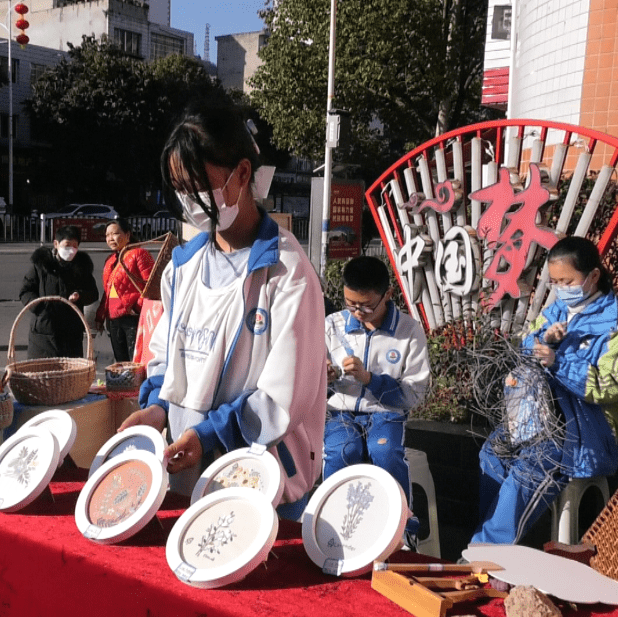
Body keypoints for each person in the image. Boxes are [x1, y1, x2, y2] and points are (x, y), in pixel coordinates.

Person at [119, 100, 327, 520]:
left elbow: (283, 397)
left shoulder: (287, 272)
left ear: (242, 174)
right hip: (185, 470)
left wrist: (212, 432)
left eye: (197, 183)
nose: (189, 200)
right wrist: (158, 407)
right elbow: (166, 359)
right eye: (179, 188)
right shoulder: (184, 266)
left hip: (259, 481)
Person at [470, 236, 618, 545]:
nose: (561, 288)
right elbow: (527, 346)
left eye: (568, 280)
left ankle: (489, 554)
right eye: (555, 282)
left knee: (531, 467)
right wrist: (544, 341)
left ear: (593, 276)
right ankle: (486, 545)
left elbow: (609, 387)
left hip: (589, 433)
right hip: (540, 417)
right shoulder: (556, 311)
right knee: (493, 454)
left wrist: (558, 362)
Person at [324, 256, 431, 545]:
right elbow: (308, 377)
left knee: (384, 453)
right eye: (350, 304)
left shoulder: (409, 331)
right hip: (341, 413)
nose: (358, 312)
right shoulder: (331, 325)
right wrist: (326, 375)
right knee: (340, 452)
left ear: (388, 295)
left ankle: (400, 529)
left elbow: (415, 392)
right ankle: (331, 530)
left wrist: (370, 379)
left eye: (366, 305)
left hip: (386, 414)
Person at [17, 225, 99, 359]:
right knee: (42, 374)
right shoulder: (41, 265)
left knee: (69, 375)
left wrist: (80, 295)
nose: (71, 250)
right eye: (67, 245)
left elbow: (93, 293)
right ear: (56, 244)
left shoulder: (81, 266)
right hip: (44, 332)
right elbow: (25, 291)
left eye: (75, 246)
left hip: (71, 332)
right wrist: (41, 308)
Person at [95, 219, 155, 362]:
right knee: (121, 363)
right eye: (107, 235)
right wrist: (100, 316)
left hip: (132, 318)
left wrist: (137, 307)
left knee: (135, 362)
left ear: (127, 235)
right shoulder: (110, 260)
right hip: (114, 320)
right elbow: (109, 291)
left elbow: (151, 284)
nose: (110, 238)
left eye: (115, 233)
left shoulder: (139, 254)